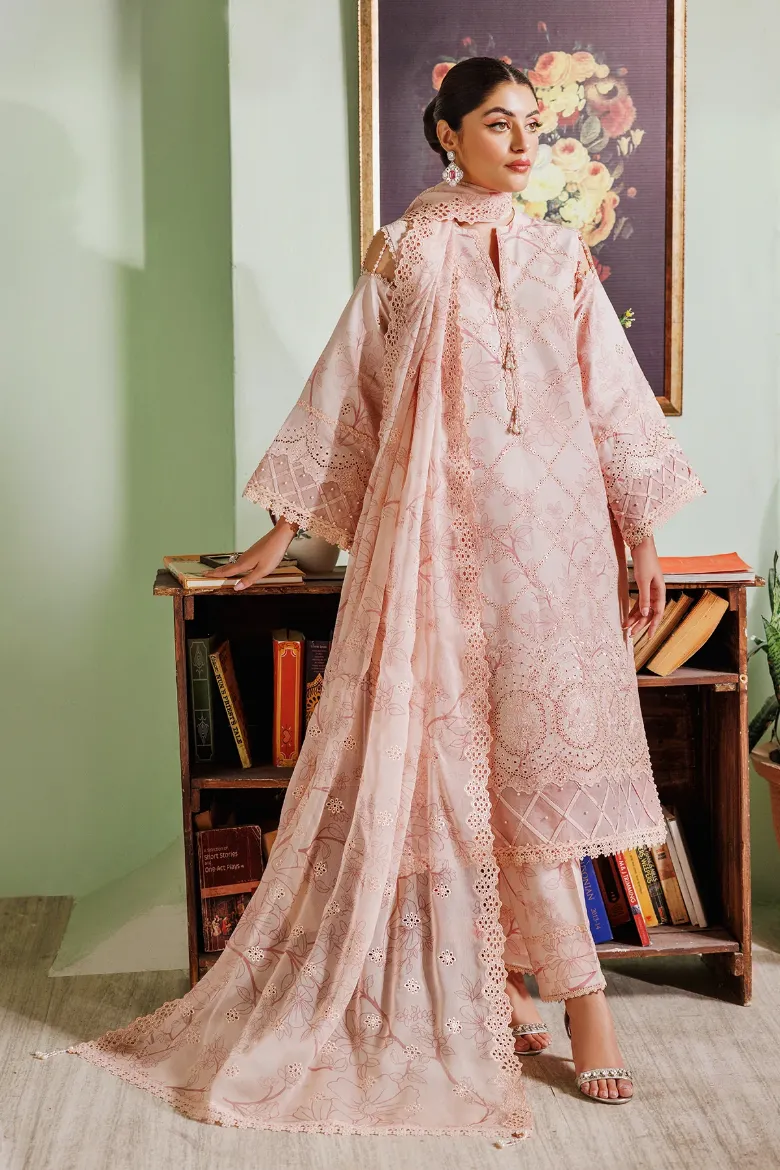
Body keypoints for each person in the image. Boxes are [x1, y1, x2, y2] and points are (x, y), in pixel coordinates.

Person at [35, 57, 705, 1143]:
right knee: (442, 760)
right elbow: (350, 393)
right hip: (437, 542)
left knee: (537, 762)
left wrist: (643, 536)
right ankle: (539, 995)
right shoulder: (407, 252)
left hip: (557, 544)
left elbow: (613, 403)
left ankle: (559, 995)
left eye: (532, 125)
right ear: (448, 133)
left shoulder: (558, 254)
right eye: (498, 124)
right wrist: (281, 530)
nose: (523, 144)